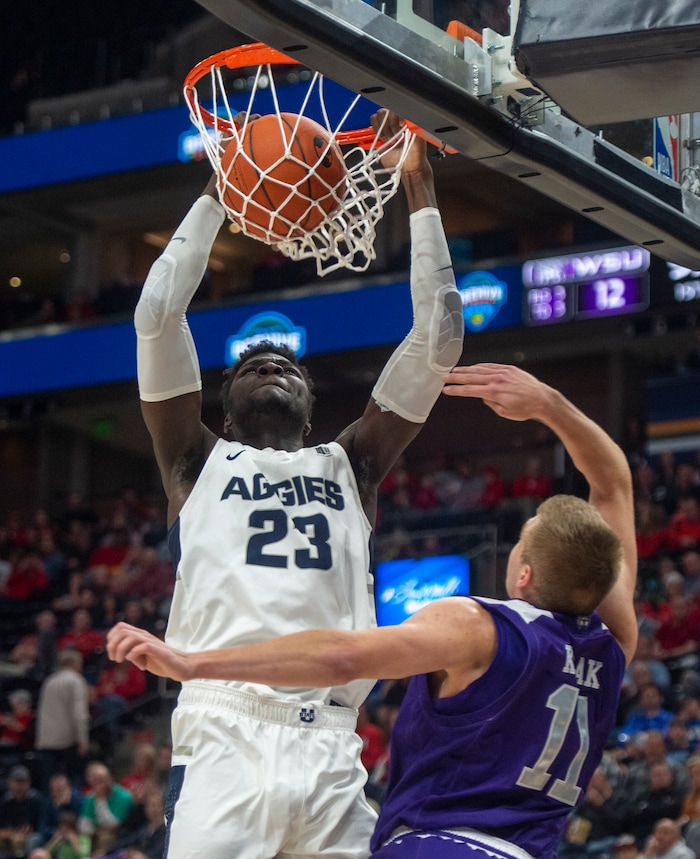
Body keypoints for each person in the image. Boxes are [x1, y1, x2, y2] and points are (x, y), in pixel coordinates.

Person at [108, 363, 638, 859]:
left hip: (438, 846)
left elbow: (339, 657)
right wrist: (551, 406)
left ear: (523, 574)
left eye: (524, 540)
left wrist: (196, 664)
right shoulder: (613, 643)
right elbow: (612, 486)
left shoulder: (477, 629)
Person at [127, 108, 463, 859]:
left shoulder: (354, 463)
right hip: (222, 728)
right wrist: (222, 190)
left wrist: (421, 189)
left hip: (332, 742)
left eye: (288, 368)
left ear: (312, 409)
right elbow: (157, 315)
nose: (270, 367)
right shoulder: (195, 460)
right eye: (252, 366)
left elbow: (439, 336)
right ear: (225, 407)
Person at [34, 650, 90, 790]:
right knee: (71, 783)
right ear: (76, 664)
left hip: (46, 740)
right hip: (67, 741)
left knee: (48, 785)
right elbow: (80, 713)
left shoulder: (49, 681)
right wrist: (83, 739)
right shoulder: (76, 680)